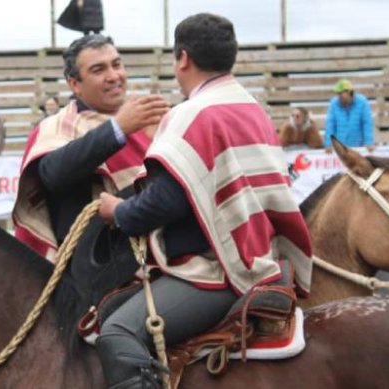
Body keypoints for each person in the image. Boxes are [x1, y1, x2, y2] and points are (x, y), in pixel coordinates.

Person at [96, 13, 313, 389]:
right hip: (261, 254)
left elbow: (165, 203)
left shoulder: (192, 113)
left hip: (218, 271)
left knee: (117, 332)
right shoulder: (252, 108)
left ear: (182, 59)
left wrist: (119, 212)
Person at [12, 34, 168, 263]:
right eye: (98, 70)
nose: (113, 76)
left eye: (117, 65)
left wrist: (163, 140)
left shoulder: (145, 118)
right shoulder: (57, 127)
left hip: (162, 253)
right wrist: (118, 128)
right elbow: (52, 174)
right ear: (74, 84)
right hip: (99, 272)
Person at [324, 79, 375, 153]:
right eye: (338, 94)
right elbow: (330, 125)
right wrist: (328, 143)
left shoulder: (362, 102)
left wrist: (369, 142)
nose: (339, 96)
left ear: (348, 92)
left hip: (358, 147)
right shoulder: (334, 103)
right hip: (340, 149)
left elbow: (367, 123)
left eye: (341, 93)